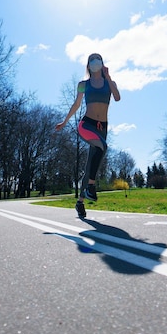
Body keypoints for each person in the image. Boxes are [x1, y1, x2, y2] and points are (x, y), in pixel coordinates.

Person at [55, 53, 121, 218]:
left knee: (91, 166)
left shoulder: (109, 83)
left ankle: (80, 202)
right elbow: (77, 104)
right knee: (102, 147)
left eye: (97, 59)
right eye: (91, 60)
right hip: (87, 124)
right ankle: (91, 187)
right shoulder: (83, 84)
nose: (95, 62)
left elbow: (118, 97)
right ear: (88, 65)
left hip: (102, 127)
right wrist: (64, 122)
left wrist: (108, 76)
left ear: (102, 63)